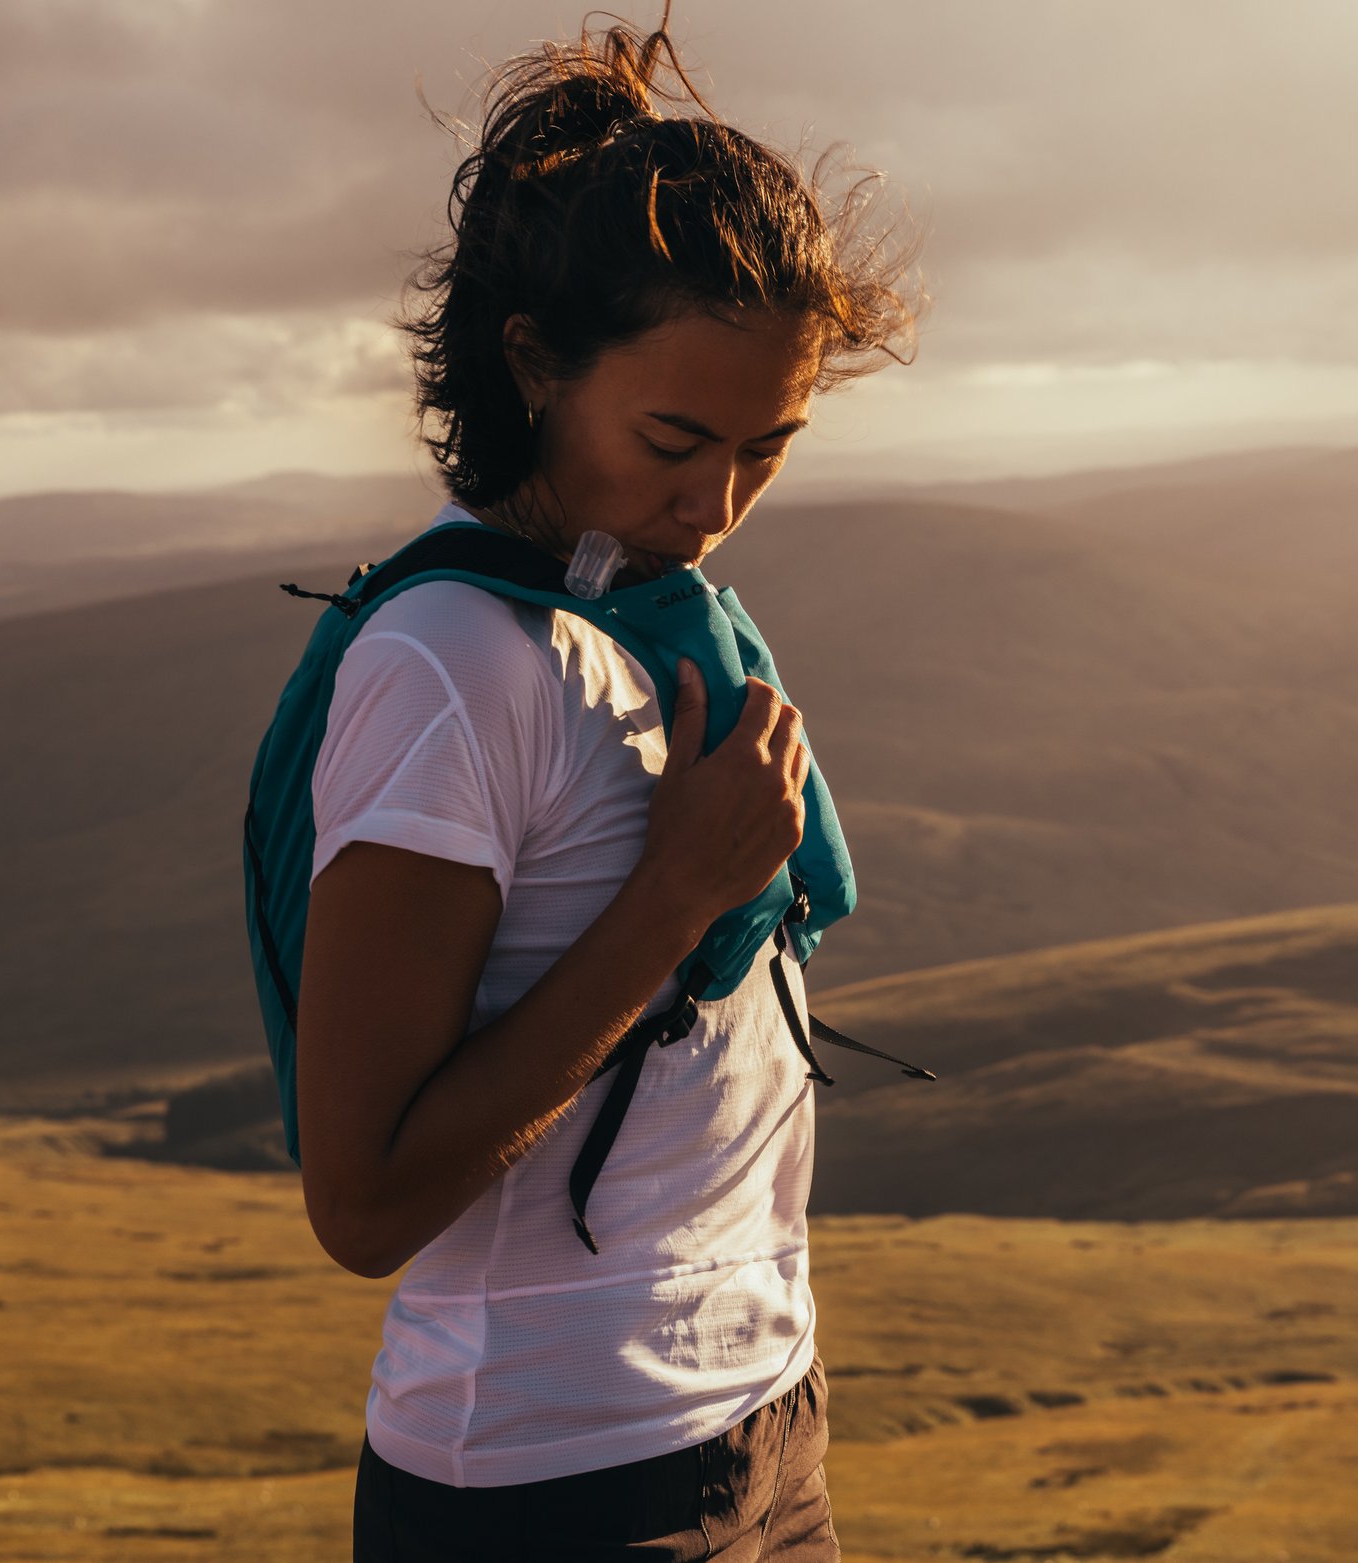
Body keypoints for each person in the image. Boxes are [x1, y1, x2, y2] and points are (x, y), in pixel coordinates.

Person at [291, 14, 916, 1559]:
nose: (713, 506)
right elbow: (362, 1205)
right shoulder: (451, 664)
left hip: (763, 1419)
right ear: (532, 366)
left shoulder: (650, 618)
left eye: (770, 449)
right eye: (673, 439)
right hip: (552, 1481)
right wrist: (677, 898)